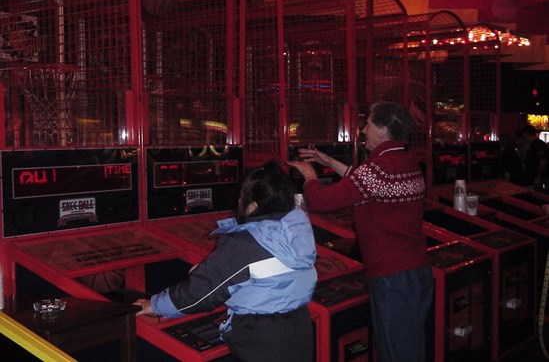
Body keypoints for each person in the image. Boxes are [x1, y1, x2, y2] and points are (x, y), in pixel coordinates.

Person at [288, 101, 433, 362]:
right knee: (409, 346)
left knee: (396, 351)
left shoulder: (377, 169)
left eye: (367, 125)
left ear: (383, 130)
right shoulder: (406, 160)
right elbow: (365, 183)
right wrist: (327, 161)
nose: (363, 131)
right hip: (417, 270)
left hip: (392, 277)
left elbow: (322, 201)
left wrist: (310, 176)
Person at [133, 160, 317, 362]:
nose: (238, 202)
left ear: (253, 205)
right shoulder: (296, 232)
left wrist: (155, 305)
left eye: (241, 197)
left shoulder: (245, 243)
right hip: (298, 328)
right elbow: (269, 281)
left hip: (260, 338)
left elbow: (199, 294)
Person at [517, 124, 549, 192]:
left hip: (538, 178)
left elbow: (543, 161)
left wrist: (538, 177)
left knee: (539, 196)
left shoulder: (537, 145)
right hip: (535, 177)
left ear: (525, 134)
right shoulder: (535, 144)